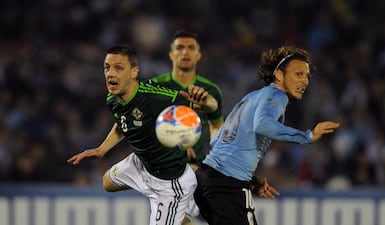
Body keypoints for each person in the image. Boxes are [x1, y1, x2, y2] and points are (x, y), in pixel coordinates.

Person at [67, 44, 218, 225]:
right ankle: (182, 220)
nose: (110, 74)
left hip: (169, 183)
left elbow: (210, 106)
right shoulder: (113, 99)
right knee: (107, 183)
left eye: (118, 68)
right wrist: (101, 150)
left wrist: (207, 99)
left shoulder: (155, 98)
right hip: (140, 163)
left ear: (134, 72)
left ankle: (181, 216)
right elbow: (123, 122)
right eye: (107, 68)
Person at [194, 46, 341, 225]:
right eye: (299, 74)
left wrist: (252, 181)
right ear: (279, 75)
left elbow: (218, 141)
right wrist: (307, 136)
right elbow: (263, 124)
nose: (305, 81)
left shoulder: (251, 97)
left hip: (207, 179)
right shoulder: (277, 95)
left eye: (307, 76)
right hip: (227, 185)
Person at [152, 30, 224, 225]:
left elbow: (217, 126)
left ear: (198, 55)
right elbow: (144, 132)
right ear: (171, 54)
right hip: (165, 171)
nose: (185, 52)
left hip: (197, 169)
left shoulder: (210, 91)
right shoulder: (155, 88)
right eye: (180, 48)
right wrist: (173, 148)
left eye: (191, 48)